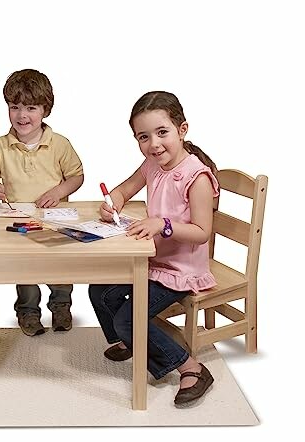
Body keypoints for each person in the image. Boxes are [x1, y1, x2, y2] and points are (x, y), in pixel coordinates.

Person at [89, 91, 218, 406]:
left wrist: (163, 224)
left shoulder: (196, 176)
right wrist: (114, 201)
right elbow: (125, 188)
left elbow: (202, 232)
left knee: (127, 319)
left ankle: (192, 367)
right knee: (99, 291)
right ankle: (135, 342)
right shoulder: (151, 164)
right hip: (152, 260)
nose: (154, 144)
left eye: (162, 133)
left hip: (181, 271)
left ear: (182, 129)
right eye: (143, 137)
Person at [0, 69, 84, 336]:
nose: (22, 115)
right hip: (18, 220)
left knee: (60, 266)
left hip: (55, 220)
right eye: (14, 107)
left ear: (45, 110)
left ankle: (61, 306)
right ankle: (27, 312)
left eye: (30, 107)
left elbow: (77, 176)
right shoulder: (0, 146)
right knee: (24, 269)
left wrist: (59, 191)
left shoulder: (60, 144)